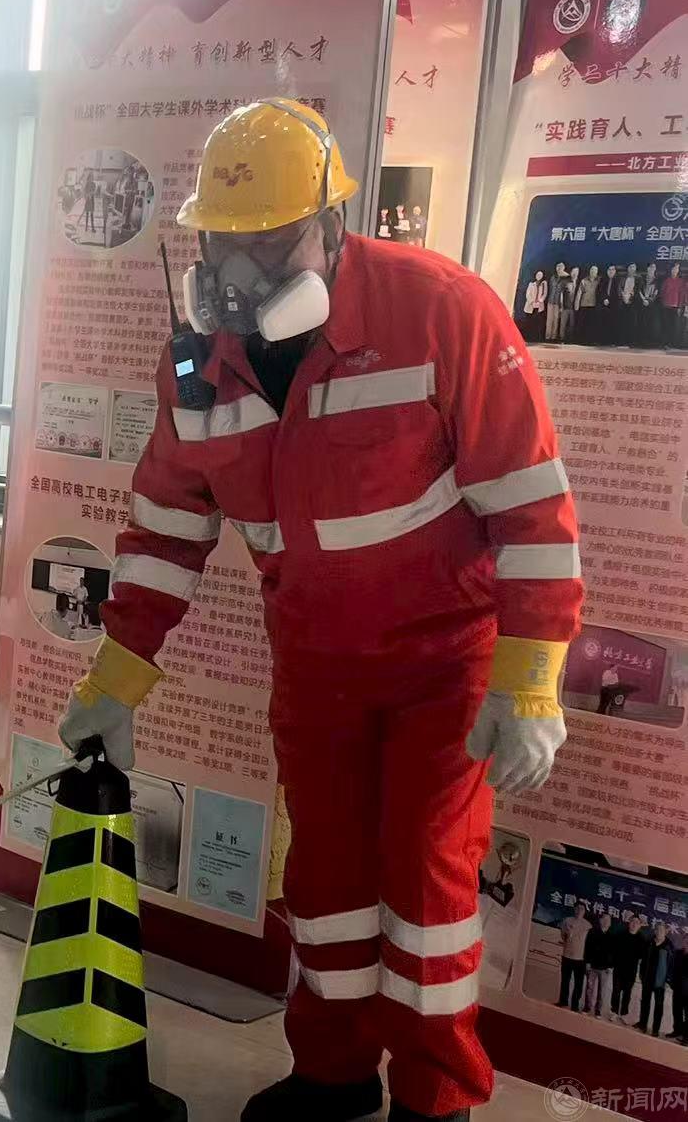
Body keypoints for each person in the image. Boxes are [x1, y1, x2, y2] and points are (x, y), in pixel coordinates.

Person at [58, 99, 582, 1122]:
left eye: (269, 243)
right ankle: (332, 1077)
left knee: (425, 889)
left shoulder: (440, 312)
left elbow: (530, 510)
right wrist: (114, 683)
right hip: (315, 665)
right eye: (220, 242)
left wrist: (529, 683)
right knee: (328, 880)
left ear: (333, 226)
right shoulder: (198, 364)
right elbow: (165, 532)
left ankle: (436, 1098)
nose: (239, 272)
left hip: (445, 667)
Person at [638, 921, 674, 1036]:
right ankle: (642, 1025)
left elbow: (671, 966)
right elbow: (643, 960)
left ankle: (655, 1030)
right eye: (657, 929)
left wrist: (668, 980)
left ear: (665, 932)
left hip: (660, 982)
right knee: (645, 1002)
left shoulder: (669, 946)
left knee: (658, 1006)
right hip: (647, 978)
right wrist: (641, 973)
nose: (659, 932)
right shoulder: (649, 943)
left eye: (662, 930)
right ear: (655, 931)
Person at [614, 913, 648, 1022]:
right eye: (632, 921)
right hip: (618, 968)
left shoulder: (642, 939)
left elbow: (642, 957)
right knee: (616, 991)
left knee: (627, 993)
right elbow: (614, 950)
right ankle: (614, 1012)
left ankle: (624, 1014)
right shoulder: (621, 935)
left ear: (640, 925)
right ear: (629, 923)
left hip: (631, 970)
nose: (634, 924)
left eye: (637, 923)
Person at [558, 902, 592, 1012]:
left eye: (582, 909)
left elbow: (589, 944)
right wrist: (568, 935)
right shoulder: (567, 921)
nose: (579, 910)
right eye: (577, 908)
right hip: (567, 956)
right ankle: (563, 1001)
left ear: (584, 911)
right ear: (574, 909)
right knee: (565, 981)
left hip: (580, 959)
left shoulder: (588, 925)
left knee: (578, 983)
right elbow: (563, 936)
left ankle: (575, 1005)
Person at [584, 911, 617, 1018]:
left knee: (602, 991)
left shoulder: (613, 936)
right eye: (604, 919)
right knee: (589, 988)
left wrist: (611, 967)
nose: (606, 921)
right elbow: (587, 948)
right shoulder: (592, 932)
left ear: (610, 923)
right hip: (592, 966)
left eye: (608, 920)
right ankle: (587, 1007)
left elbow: (614, 953)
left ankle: (598, 1011)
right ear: (600, 920)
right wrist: (587, 963)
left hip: (605, 969)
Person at [662, 263, 686, 348]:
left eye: (676, 269)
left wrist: (679, 306)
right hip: (666, 306)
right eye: (673, 269)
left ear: (678, 270)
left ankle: (674, 343)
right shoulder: (667, 280)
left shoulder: (681, 281)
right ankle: (666, 343)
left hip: (676, 307)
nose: (675, 270)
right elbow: (663, 292)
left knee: (675, 325)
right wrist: (664, 302)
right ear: (671, 270)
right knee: (666, 325)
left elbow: (682, 295)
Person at [574, 262, 600, 343]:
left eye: (595, 270)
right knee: (582, 324)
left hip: (593, 305)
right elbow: (579, 293)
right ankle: (581, 340)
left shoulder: (599, 281)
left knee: (591, 324)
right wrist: (576, 305)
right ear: (589, 271)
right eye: (592, 270)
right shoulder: (584, 281)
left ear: (597, 272)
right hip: (584, 305)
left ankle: (590, 340)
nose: (593, 271)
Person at [520, 269, 548, 342]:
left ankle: (534, 337)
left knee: (536, 322)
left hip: (538, 306)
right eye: (538, 275)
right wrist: (532, 301)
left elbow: (544, 294)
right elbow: (528, 294)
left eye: (540, 275)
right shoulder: (531, 284)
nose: (539, 276)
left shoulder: (543, 285)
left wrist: (540, 301)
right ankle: (527, 337)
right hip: (530, 305)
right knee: (529, 321)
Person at [639, 263, 661, 348]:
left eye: (654, 267)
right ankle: (642, 342)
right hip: (642, 304)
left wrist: (649, 301)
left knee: (651, 324)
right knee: (642, 323)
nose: (652, 269)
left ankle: (650, 343)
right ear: (647, 268)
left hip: (652, 305)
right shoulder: (642, 279)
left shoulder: (657, 280)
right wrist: (643, 299)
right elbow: (639, 290)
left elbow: (656, 293)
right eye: (651, 267)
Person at [673, 931, 688, 1042]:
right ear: (683, 941)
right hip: (677, 986)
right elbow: (672, 968)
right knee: (676, 1010)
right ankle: (677, 1031)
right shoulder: (678, 953)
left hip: (687, 990)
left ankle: (686, 1037)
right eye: (686, 940)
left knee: (687, 1013)